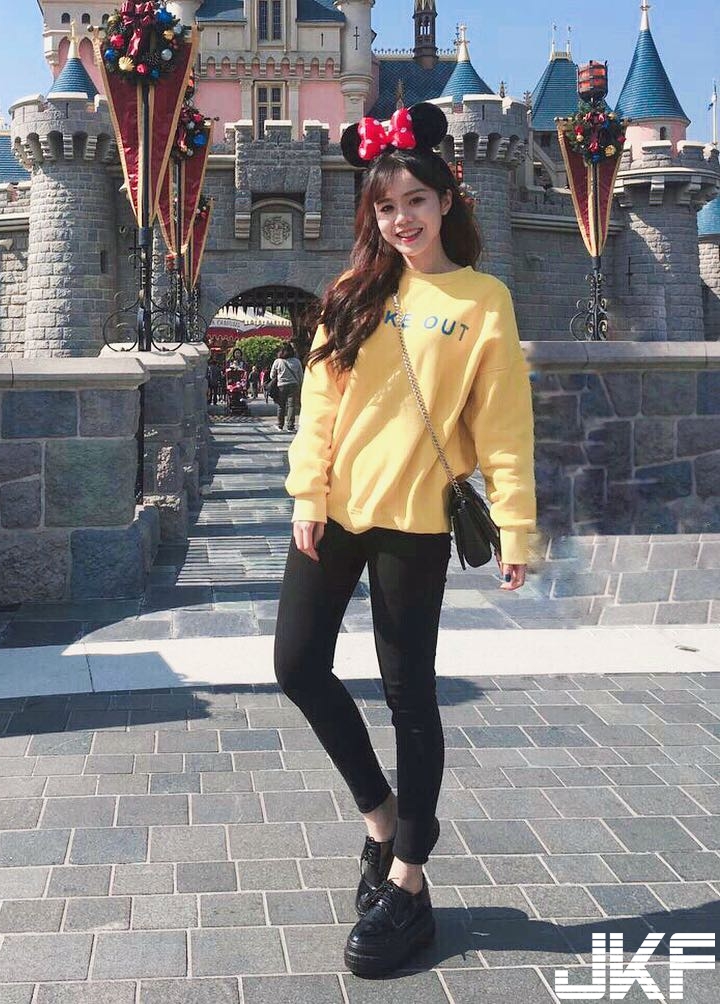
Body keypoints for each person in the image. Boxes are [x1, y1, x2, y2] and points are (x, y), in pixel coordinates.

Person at [272, 102, 536, 980]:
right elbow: (319, 405)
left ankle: (410, 881)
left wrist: (516, 523)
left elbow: (504, 426)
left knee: (409, 696)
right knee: (296, 664)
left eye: (415, 200)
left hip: (415, 525)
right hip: (336, 513)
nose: (401, 219)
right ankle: (381, 820)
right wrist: (307, 493)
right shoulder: (352, 293)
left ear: (447, 198)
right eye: (386, 206)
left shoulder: (483, 300)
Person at [269, 343, 304, 431]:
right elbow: (301, 375)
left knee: (281, 405)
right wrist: (300, 385)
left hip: (281, 386)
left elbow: (272, 375)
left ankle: (280, 425)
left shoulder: (278, 361)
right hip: (294, 385)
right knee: (291, 406)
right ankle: (290, 426)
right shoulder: (296, 361)